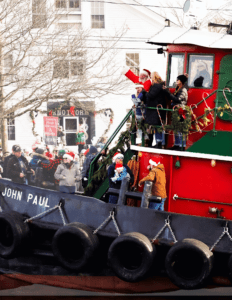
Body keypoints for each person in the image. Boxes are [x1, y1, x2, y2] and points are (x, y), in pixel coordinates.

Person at [144, 72, 166, 149]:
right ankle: (158, 142)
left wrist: (145, 93)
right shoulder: (159, 86)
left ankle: (159, 143)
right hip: (155, 109)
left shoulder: (156, 86)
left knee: (157, 126)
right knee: (156, 126)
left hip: (156, 110)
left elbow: (151, 95)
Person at [166, 74, 188, 150]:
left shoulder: (183, 90)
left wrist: (170, 95)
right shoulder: (178, 88)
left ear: (181, 81)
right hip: (176, 110)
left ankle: (181, 145)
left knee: (180, 128)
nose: (176, 81)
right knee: (176, 128)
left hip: (180, 110)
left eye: (178, 80)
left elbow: (178, 99)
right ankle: (177, 144)